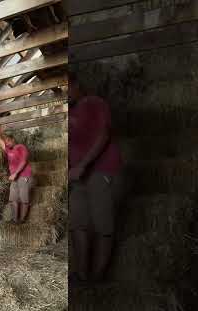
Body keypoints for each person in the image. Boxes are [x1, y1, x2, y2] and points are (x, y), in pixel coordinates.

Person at [68, 71, 124, 283]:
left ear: (76, 84)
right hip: (78, 177)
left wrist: (82, 165)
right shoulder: (68, 114)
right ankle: (82, 275)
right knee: (77, 223)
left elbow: (104, 134)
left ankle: (98, 278)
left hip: (103, 170)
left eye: (67, 87)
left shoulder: (93, 103)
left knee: (103, 226)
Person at [0, 125, 33, 224]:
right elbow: (0, 141)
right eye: (6, 141)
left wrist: (16, 173)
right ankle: (14, 219)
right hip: (14, 178)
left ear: (13, 139)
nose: (7, 143)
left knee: (24, 200)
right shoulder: (8, 150)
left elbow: (24, 161)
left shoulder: (21, 147)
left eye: (8, 140)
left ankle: (22, 220)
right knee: (13, 200)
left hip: (24, 176)